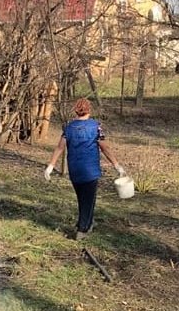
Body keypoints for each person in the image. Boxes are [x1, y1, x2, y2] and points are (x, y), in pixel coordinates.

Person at [44, 98, 125, 240]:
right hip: (90, 170)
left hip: (74, 170)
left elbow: (60, 148)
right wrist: (117, 165)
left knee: (84, 198)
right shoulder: (96, 127)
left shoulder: (68, 128)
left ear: (76, 110)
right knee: (88, 199)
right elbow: (105, 147)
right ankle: (82, 230)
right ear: (89, 110)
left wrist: (51, 166)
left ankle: (88, 223)